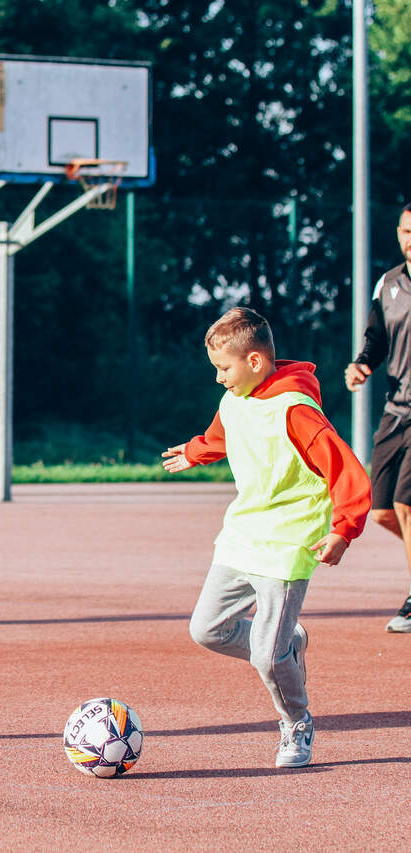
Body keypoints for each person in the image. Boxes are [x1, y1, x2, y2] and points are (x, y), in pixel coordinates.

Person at [162, 307, 370, 768]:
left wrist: (344, 529)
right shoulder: (234, 400)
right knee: (207, 629)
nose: (219, 378)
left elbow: (346, 471)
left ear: (254, 361)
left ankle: (296, 722)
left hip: (288, 545)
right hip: (243, 535)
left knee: (266, 657)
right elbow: (221, 437)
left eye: (224, 368)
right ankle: (287, 643)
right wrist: (195, 452)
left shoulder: (297, 411)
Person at [345, 201, 411, 633]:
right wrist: (361, 364)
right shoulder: (388, 284)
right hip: (396, 411)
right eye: (406, 230)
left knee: (407, 504)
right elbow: (376, 338)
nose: (410, 239)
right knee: (383, 510)